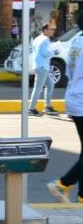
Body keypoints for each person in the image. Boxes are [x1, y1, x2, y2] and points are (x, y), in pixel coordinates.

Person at [48, 13, 83, 203]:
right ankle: (62, 184)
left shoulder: (77, 42)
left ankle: (82, 196)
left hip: (74, 98)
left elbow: (69, 71)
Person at [28, 23, 59, 116]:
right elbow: (45, 53)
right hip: (42, 67)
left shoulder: (38, 38)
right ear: (45, 30)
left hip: (39, 66)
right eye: (51, 29)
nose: (53, 31)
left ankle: (48, 107)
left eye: (53, 29)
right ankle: (31, 109)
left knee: (50, 85)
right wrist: (55, 51)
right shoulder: (45, 39)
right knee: (38, 88)